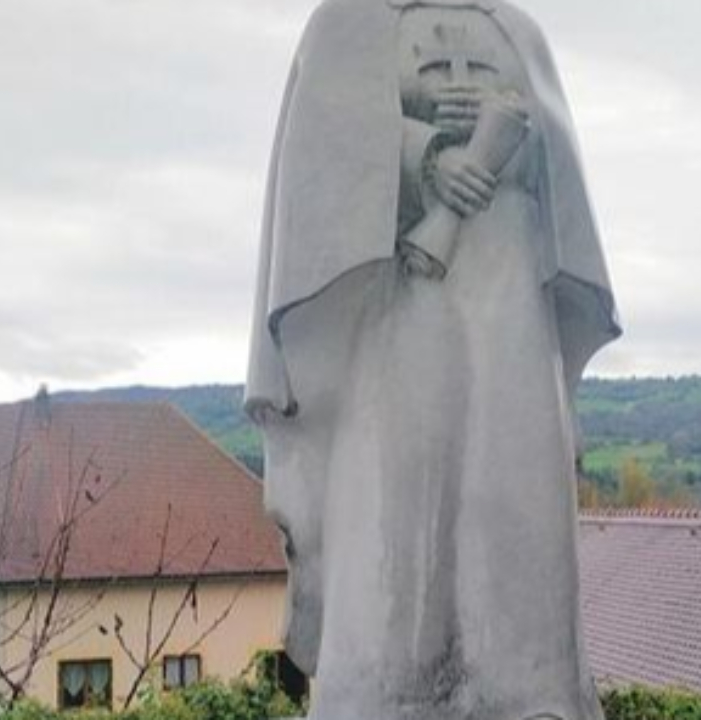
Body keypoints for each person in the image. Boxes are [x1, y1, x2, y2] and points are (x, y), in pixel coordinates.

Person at [246, 1, 620, 718]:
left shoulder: (516, 30)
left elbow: (556, 156)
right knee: (398, 503)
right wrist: (426, 157)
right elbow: (323, 146)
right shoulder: (351, 20)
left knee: (513, 494)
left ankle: (527, 692)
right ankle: (394, 693)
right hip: (397, 308)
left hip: (511, 297)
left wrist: (509, 140)